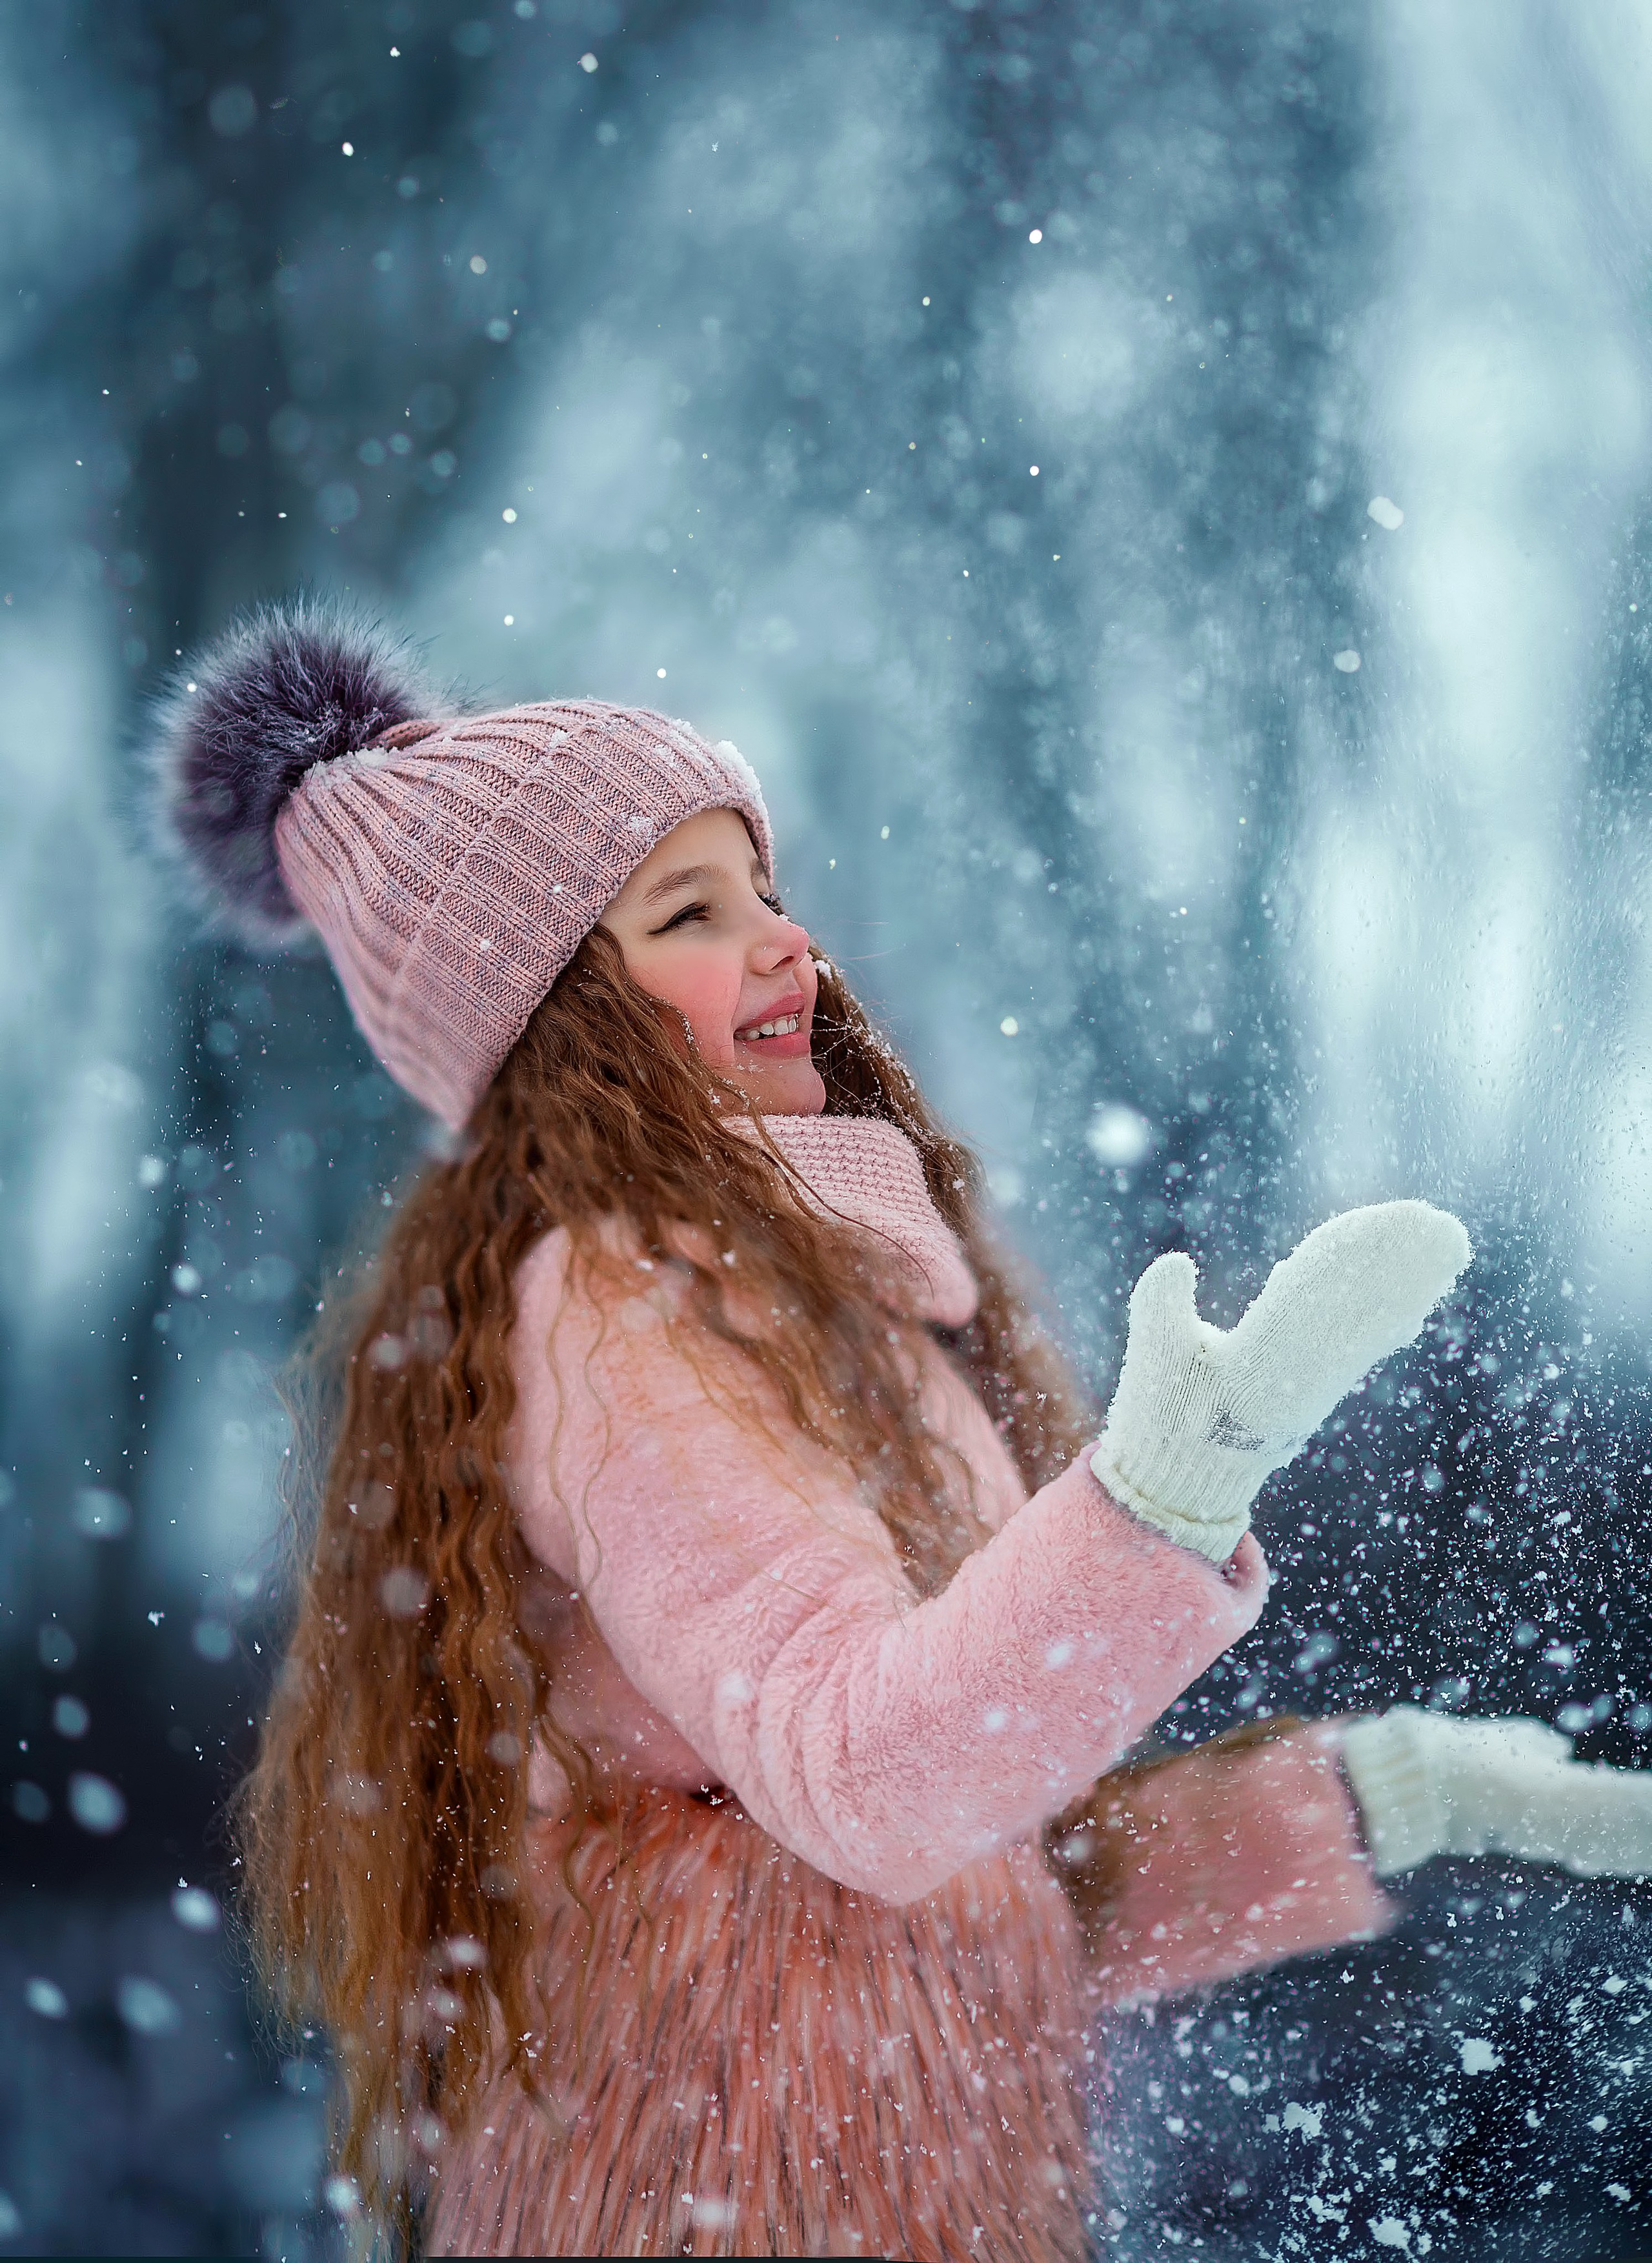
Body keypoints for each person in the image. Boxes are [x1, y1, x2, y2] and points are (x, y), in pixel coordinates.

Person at [150, 601, 1652, 2258]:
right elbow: (875, 1787)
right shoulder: (615, 1304)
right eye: (693, 912)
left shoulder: (837, 1314)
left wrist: (1380, 1793)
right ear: (560, 1013)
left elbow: (989, 1884)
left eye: (769, 892)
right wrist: (1159, 1498)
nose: (788, 944)